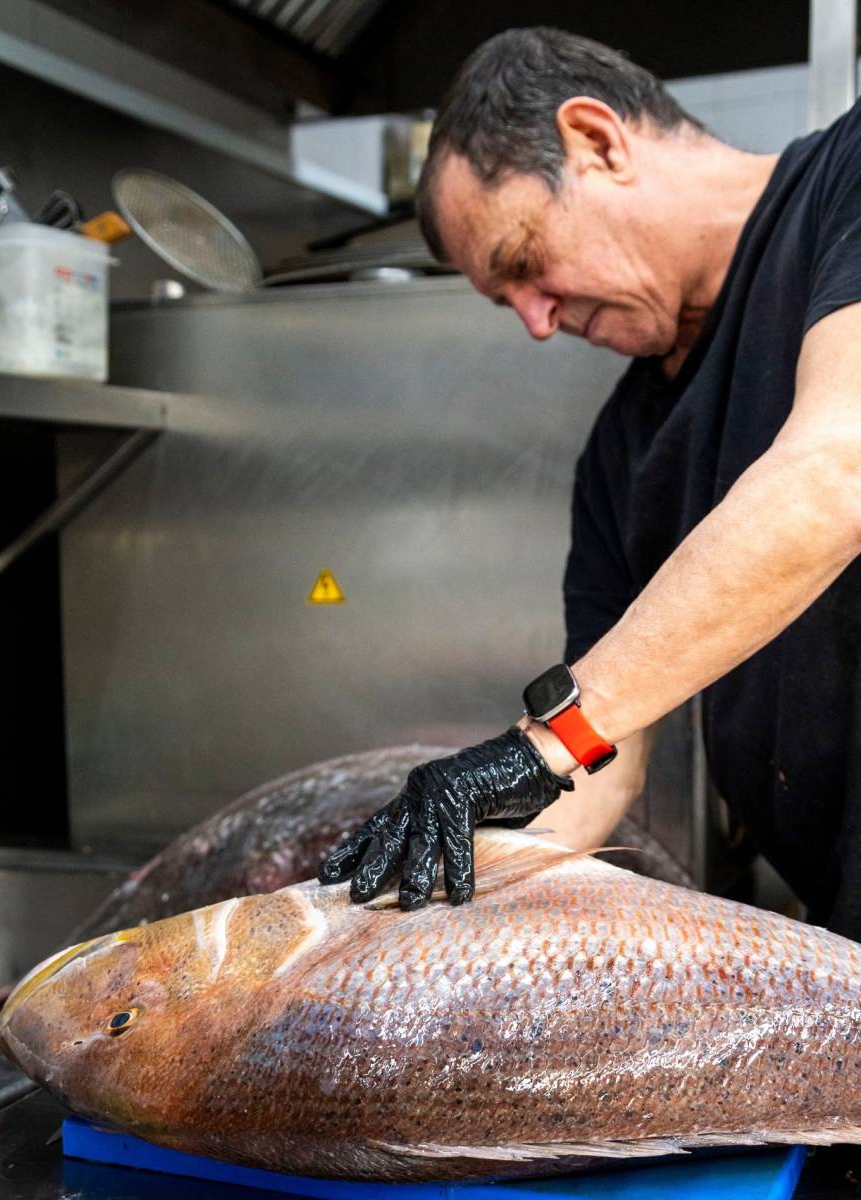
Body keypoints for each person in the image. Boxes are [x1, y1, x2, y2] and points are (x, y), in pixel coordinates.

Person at [319, 26, 861, 940]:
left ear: (598, 142)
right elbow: (602, 758)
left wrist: (538, 747)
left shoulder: (846, 183)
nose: (535, 322)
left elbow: (836, 470)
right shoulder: (620, 457)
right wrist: (418, 907)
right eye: (507, 304)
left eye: (524, 264)